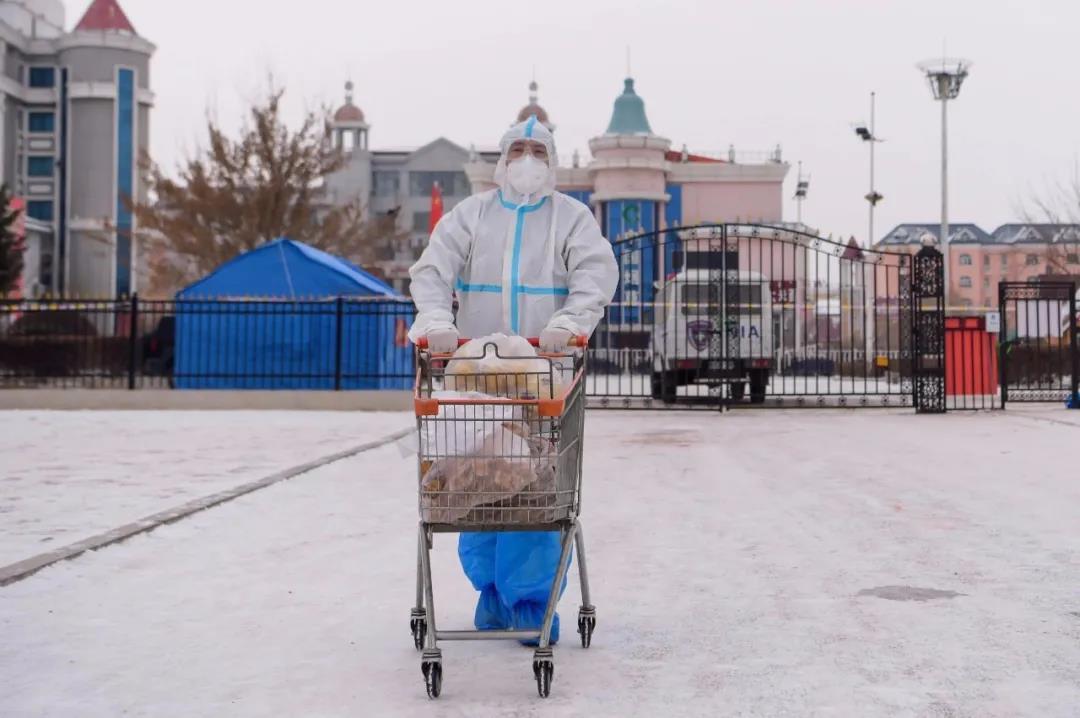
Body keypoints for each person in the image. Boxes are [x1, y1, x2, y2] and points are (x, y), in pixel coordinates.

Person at [409, 115, 618, 643]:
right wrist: (435, 322)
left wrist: (569, 324)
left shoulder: (570, 219)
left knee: (538, 490)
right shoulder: (471, 216)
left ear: (552, 160)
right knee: (475, 482)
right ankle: (493, 591)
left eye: (538, 150)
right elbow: (432, 270)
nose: (528, 159)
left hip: (545, 380)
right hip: (476, 377)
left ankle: (530, 600)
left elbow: (595, 274)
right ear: (503, 159)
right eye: (519, 148)